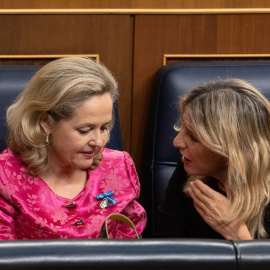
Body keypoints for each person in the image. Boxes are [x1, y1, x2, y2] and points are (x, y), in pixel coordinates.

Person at [0, 57, 146, 240]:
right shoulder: (5, 178)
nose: (99, 142)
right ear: (46, 122)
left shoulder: (118, 168)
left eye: (104, 128)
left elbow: (131, 251)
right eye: (84, 130)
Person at [157, 78, 270, 240]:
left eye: (193, 137)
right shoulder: (187, 170)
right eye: (182, 129)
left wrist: (238, 236)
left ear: (231, 150)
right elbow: (166, 252)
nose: (176, 142)